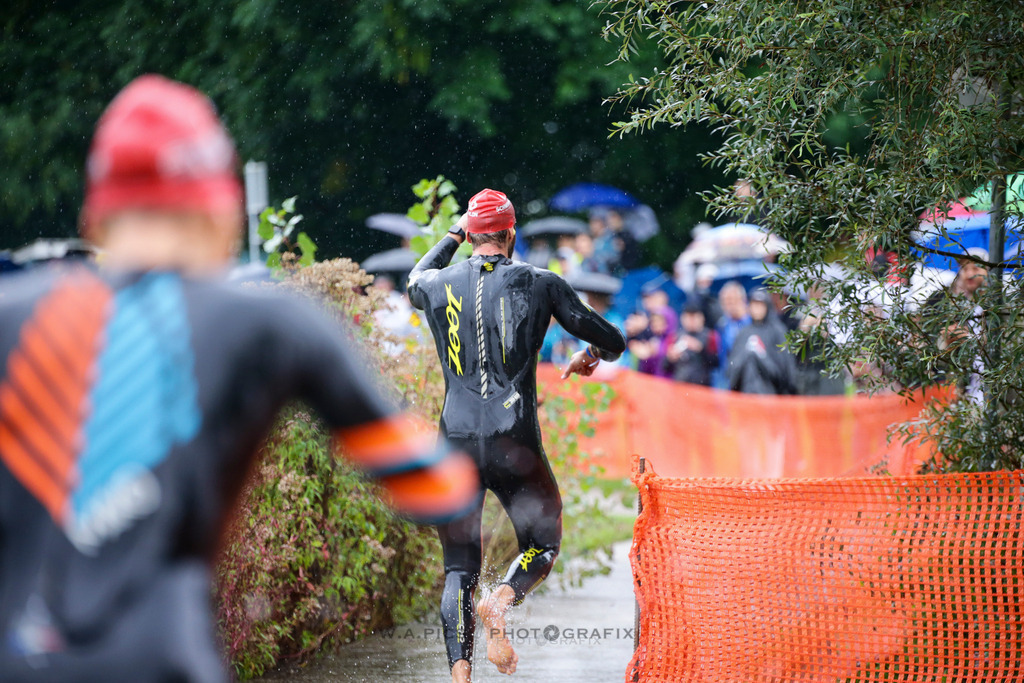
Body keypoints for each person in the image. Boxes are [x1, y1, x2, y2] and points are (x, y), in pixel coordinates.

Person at [0, 75, 480, 683]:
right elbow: (434, 490)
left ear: (94, 215)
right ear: (221, 211)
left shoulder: (10, 314)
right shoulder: (269, 323)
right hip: (161, 661)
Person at [406, 189, 626, 683]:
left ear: (470, 236)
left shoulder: (438, 284)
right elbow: (612, 340)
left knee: (459, 568)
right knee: (542, 542)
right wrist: (589, 357)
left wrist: (450, 236)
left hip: (455, 442)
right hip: (514, 439)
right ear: (511, 234)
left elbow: (413, 278)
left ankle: (461, 676)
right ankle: (501, 600)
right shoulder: (540, 282)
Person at [727, 288, 797, 395]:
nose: (756, 309)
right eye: (754, 305)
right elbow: (732, 370)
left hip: (770, 395)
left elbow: (785, 371)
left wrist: (761, 356)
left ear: (767, 307)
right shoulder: (743, 333)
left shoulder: (777, 331)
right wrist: (747, 354)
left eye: (760, 305)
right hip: (745, 395)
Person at [666, 301, 719, 386]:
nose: (691, 321)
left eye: (694, 317)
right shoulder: (675, 336)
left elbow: (716, 363)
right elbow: (665, 367)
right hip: (680, 384)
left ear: (701, 318)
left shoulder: (710, 336)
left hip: (702, 386)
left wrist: (700, 348)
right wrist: (670, 358)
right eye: (688, 317)